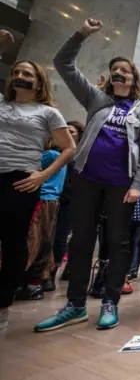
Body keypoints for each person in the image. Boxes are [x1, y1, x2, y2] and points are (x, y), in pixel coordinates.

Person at [34, 18, 140, 332]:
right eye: (115, 68)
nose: (118, 71)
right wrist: (81, 34)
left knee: (118, 242)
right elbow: (63, 63)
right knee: (81, 240)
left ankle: (110, 301)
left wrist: (139, 184)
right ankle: (74, 306)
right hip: (86, 178)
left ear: (133, 77)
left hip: (121, 185)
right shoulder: (96, 98)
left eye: (124, 68)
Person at [0, 46, 76, 330]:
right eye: (16, 72)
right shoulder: (2, 104)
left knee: (12, 241)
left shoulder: (47, 112)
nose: (20, 76)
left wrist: (42, 176)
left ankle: (3, 302)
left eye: (27, 73)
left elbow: (69, 149)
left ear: (39, 81)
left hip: (22, 179)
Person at [17, 138, 68, 300]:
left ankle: (30, 283)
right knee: (43, 241)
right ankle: (37, 282)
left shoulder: (49, 155)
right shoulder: (57, 155)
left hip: (42, 199)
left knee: (33, 241)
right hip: (50, 200)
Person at [53, 121, 85, 280]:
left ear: (79, 134)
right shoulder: (58, 151)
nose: (68, 134)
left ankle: (57, 267)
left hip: (72, 199)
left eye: (71, 132)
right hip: (55, 197)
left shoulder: (82, 153)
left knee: (62, 234)